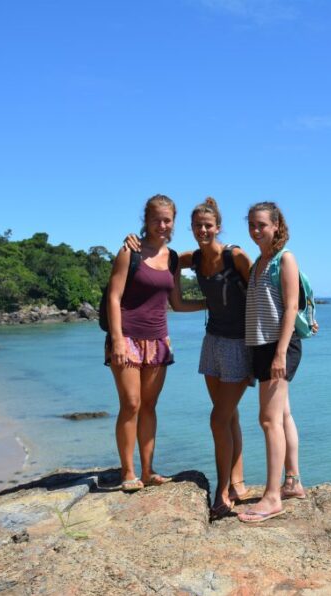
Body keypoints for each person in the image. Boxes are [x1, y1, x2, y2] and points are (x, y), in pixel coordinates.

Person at [123, 198, 257, 515]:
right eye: (197, 226)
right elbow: (158, 256)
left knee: (218, 418)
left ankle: (222, 493)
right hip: (212, 341)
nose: (203, 230)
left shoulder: (235, 256)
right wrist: (133, 242)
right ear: (191, 228)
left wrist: (274, 337)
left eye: (208, 225)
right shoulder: (192, 258)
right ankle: (237, 482)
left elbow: (261, 288)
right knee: (228, 415)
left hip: (239, 343)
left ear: (218, 227)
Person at [106, 194, 205, 492]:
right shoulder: (130, 252)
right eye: (156, 220)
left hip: (159, 339)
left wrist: (212, 304)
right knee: (131, 404)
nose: (162, 225)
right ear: (146, 221)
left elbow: (176, 302)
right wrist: (117, 340)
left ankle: (148, 471)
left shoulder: (173, 258)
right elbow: (113, 297)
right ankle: (128, 472)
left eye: (167, 220)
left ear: (173, 222)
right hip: (127, 337)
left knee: (149, 405)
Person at [238, 201, 308, 523]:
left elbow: (291, 307)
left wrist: (280, 353)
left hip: (277, 347)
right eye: (252, 224)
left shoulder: (285, 259)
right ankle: (292, 481)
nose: (256, 230)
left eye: (261, 225)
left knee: (268, 421)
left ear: (276, 225)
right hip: (262, 346)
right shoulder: (258, 263)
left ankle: (272, 496)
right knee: (283, 414)